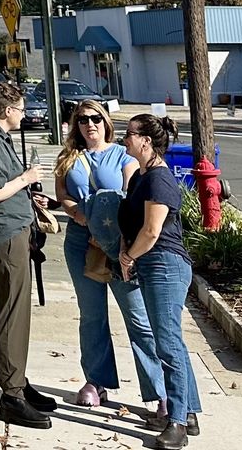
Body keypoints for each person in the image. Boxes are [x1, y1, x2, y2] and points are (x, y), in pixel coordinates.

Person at [55, 104, 163, 411]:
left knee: (138, 317)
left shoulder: (123, 155)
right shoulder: (68, 157)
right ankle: (96, 381)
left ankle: (159, 392)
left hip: (118, 243)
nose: (90, 124)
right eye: (82, 119)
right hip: (80, 242)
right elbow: (62, 193)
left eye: (95, 118)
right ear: (75, 125)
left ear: (106, 122)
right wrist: (76, 213)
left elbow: (131, 193)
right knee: (92, 315)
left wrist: (110, 228)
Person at [0, 83, 59, 428]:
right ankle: (12, 395)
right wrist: (26, 178)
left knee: (18, 312)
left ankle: (18, 380)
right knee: (12, 313)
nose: (23, 114)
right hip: (4, 234)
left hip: (13, 230)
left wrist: (27, 196)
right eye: (21, 109)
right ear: (7, 111)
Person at [119, 114, 201, 448]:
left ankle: (178, 423)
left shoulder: (159, 179)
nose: (125, 139)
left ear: (146, 141)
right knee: (169, 341)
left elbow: (152, 231)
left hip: (164, 265)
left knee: (167, 343)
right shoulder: (141, 177)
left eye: (129, 134)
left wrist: (129, 256)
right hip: (151, 265)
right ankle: (189, 411)